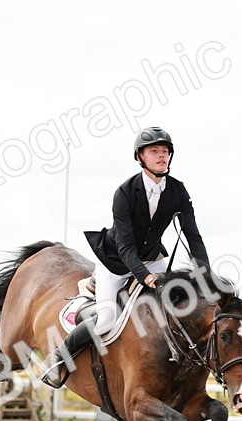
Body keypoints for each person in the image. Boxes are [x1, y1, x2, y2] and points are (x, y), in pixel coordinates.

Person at [40, 126, 211, 388]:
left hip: (153, 258)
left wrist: (205, 273)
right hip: (117, 262)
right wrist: (147, 278)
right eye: (154, 151)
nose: (161, 156)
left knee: (177, 306)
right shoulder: (125, 192)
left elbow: (193, 236)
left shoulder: (177, 190)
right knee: (106, 319)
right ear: (140, 157)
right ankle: (58, 358)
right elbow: (126, 248)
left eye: (165, 151)